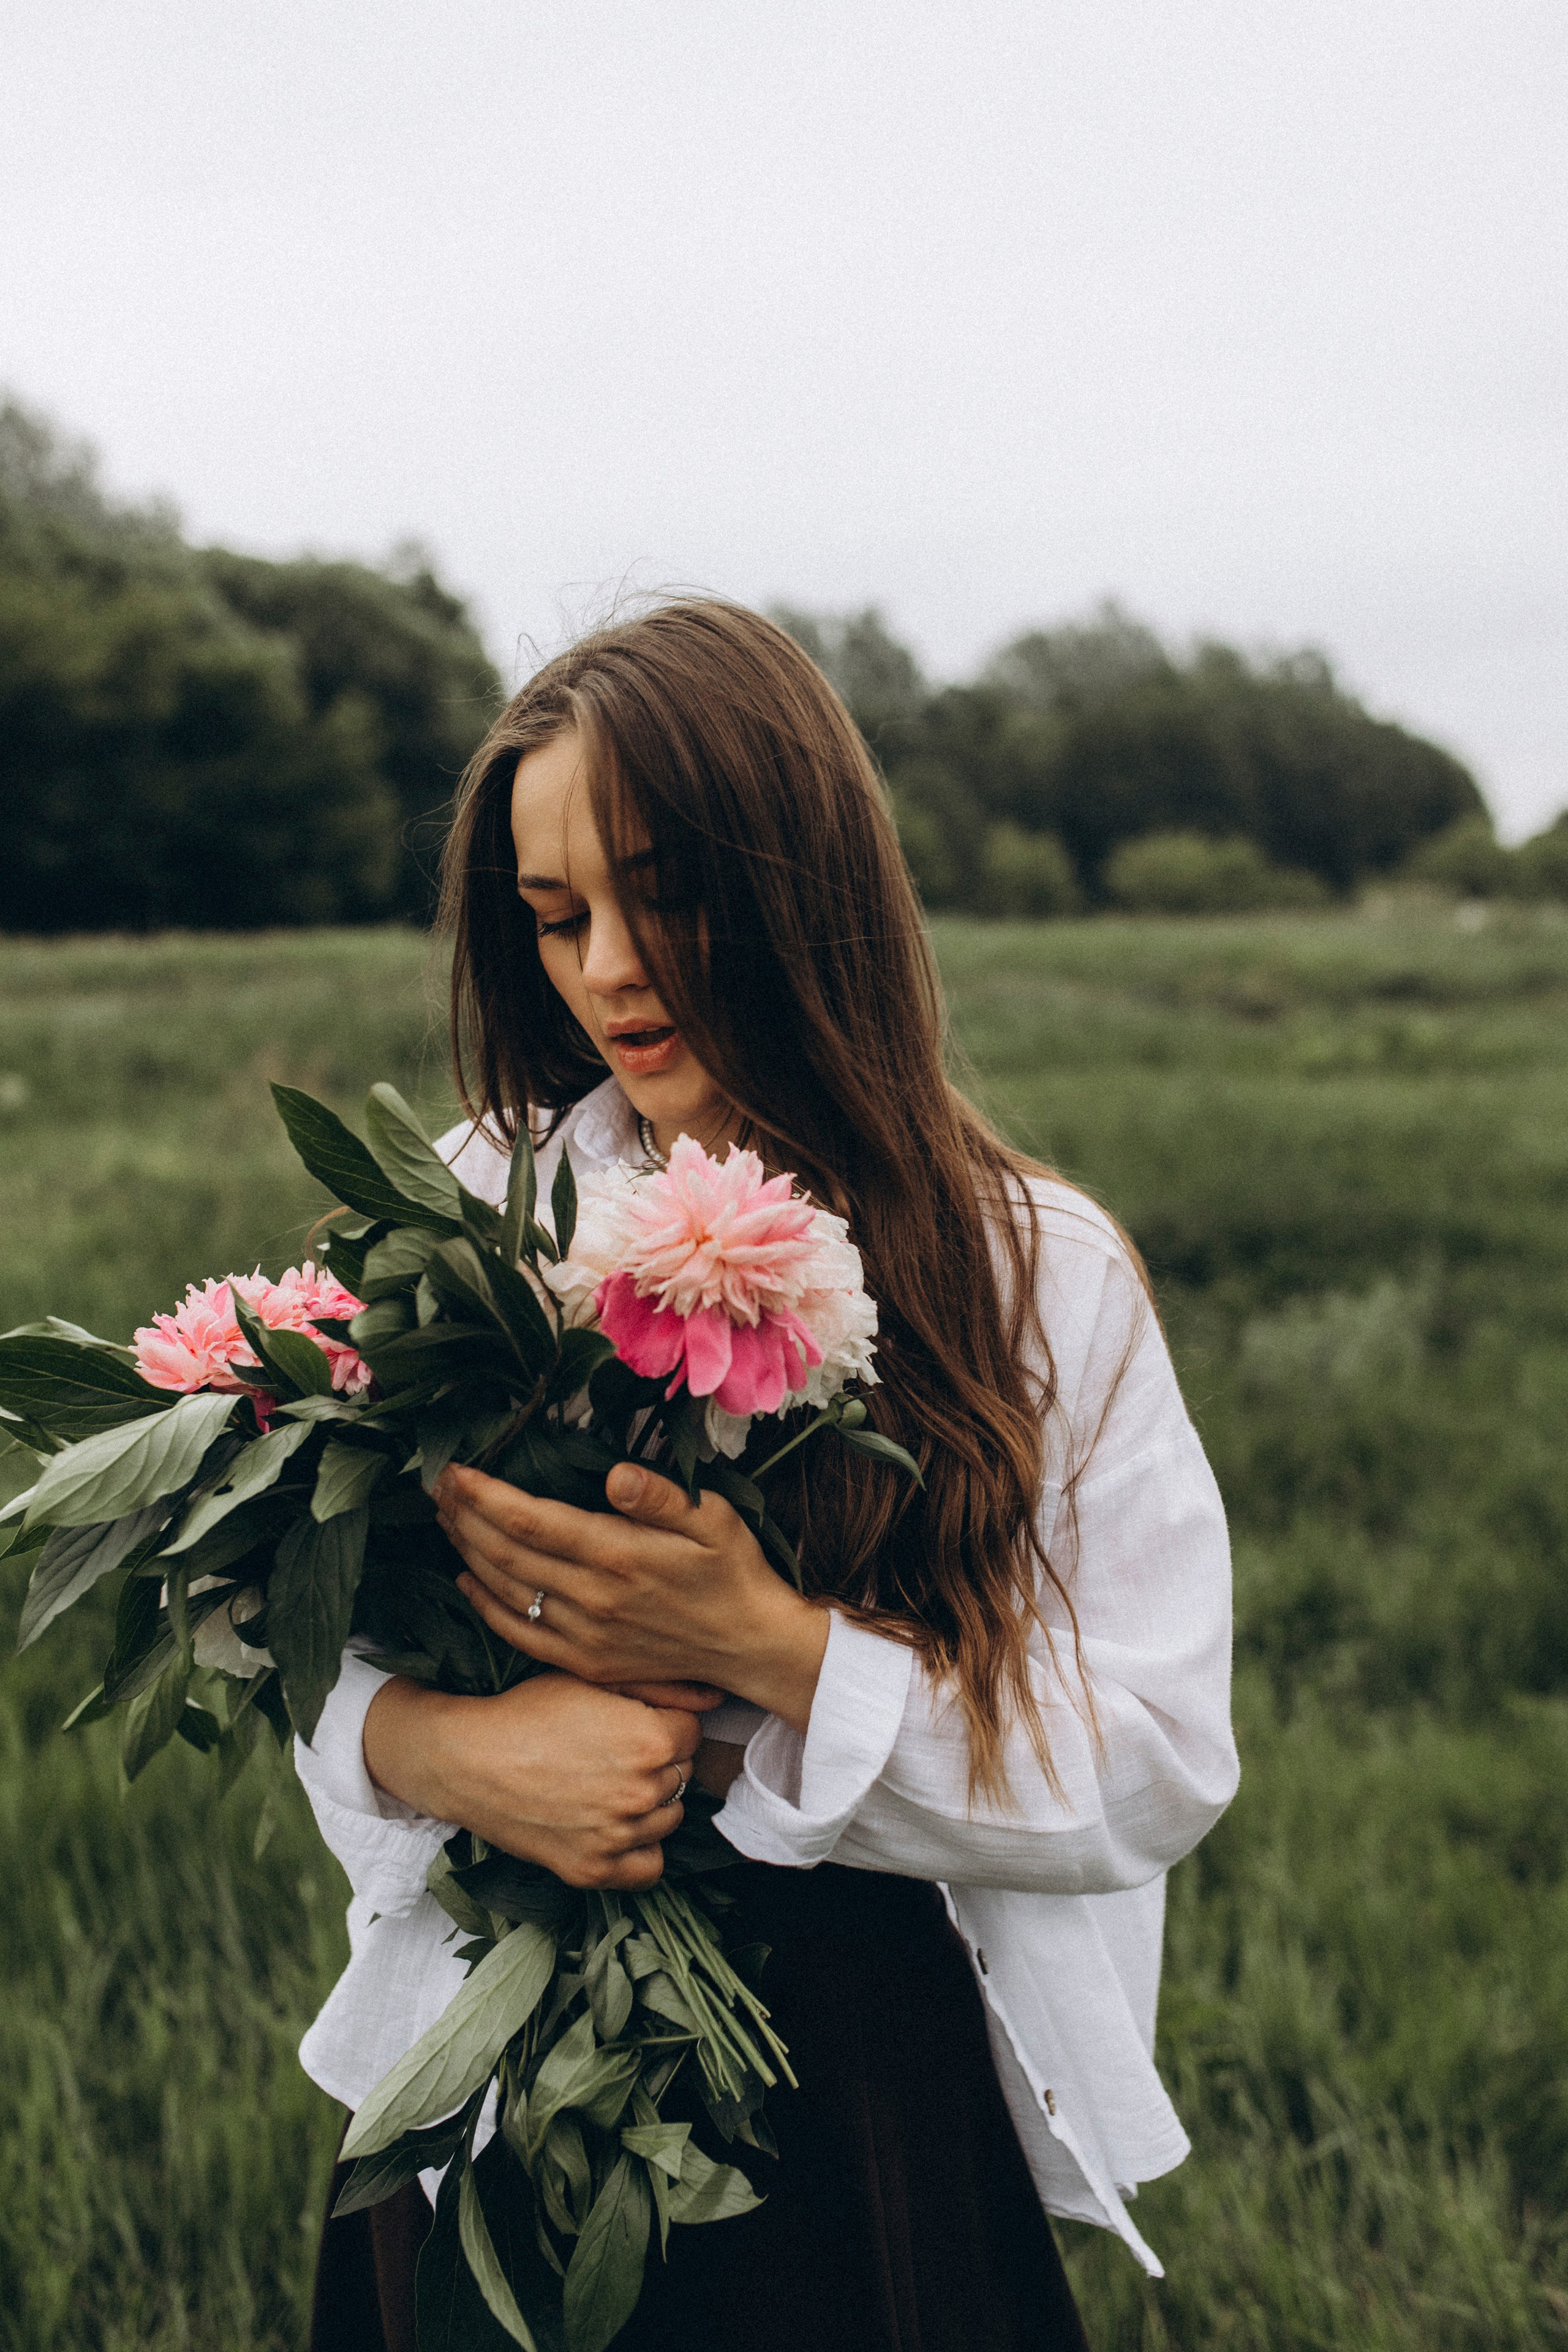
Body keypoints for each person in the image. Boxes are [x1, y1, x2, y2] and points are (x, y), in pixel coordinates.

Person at [300, 599, 1238, 2351]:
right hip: (483, 2070)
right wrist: (440, 1747)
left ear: (807, 875)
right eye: (558, 917)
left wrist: (778, 1655)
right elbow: (302, 1617)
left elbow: (1165, 1756)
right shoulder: (474, 1213)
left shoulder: (1037, 1273)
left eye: (668, 894)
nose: (609, 972)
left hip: (859, 2102)